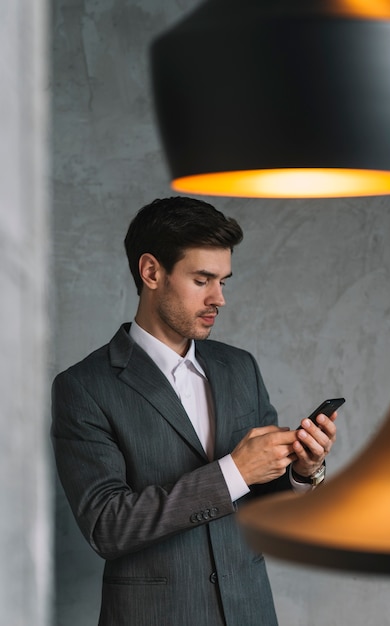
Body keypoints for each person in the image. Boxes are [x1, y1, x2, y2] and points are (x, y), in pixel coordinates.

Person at [51, 196, 338, 626]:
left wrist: (302, 472)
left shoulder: (240, 367)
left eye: (224, 281)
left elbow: (265, 504)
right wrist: (234, 471)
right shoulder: (83, 387)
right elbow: (106, 526)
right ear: (151, 272)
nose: (219, 298)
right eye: (203, 279)